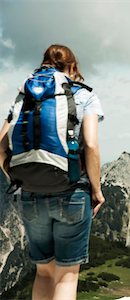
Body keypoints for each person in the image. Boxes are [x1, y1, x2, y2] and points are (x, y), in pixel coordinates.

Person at [0, 44, 105, 300]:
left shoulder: (24, 95)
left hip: (30, 193)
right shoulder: (83, 95)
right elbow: (90, 144)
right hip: (72, 192)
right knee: (67, 275)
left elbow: (1, 146)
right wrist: (97, 189)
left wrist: (15, 178)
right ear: (72, 67)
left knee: (44, 273)